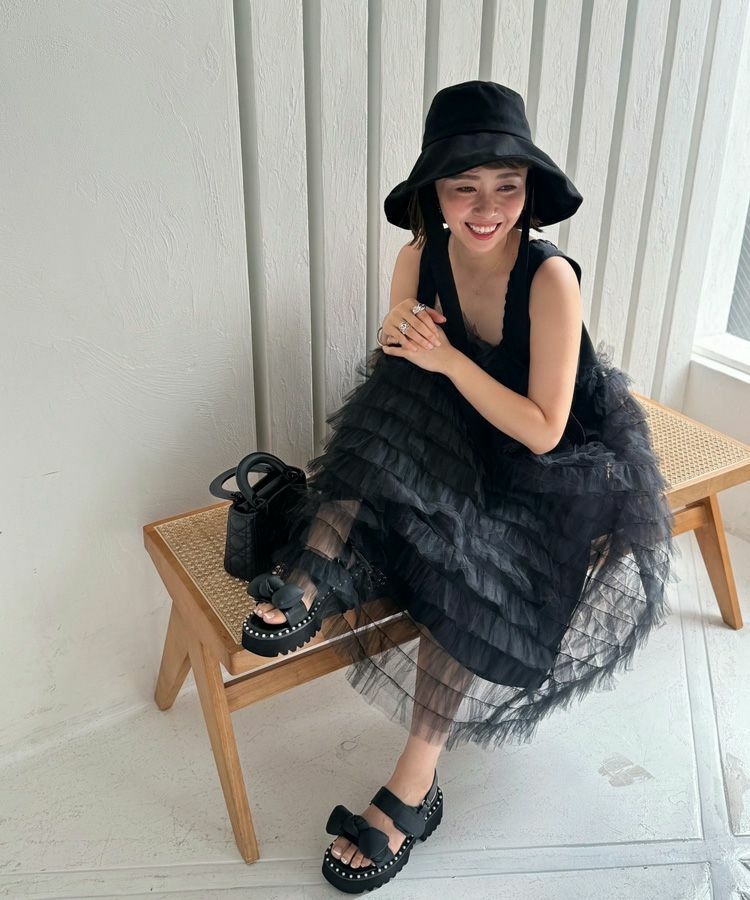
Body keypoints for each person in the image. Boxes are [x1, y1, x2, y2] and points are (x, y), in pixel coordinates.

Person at [241, 81, 680, 893]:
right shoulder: (419, 257)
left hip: (550, 463)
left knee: (470, 564)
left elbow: (545, 429)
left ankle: (415, 783)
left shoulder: (549, 278)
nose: (486, 209)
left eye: (506, 187)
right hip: (458, 433)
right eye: (463, 188)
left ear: (529, 192)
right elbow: (402, 363)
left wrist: (442, 358)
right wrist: (400, 330)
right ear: (433, 194)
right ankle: (314, 569)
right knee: (396, 384)